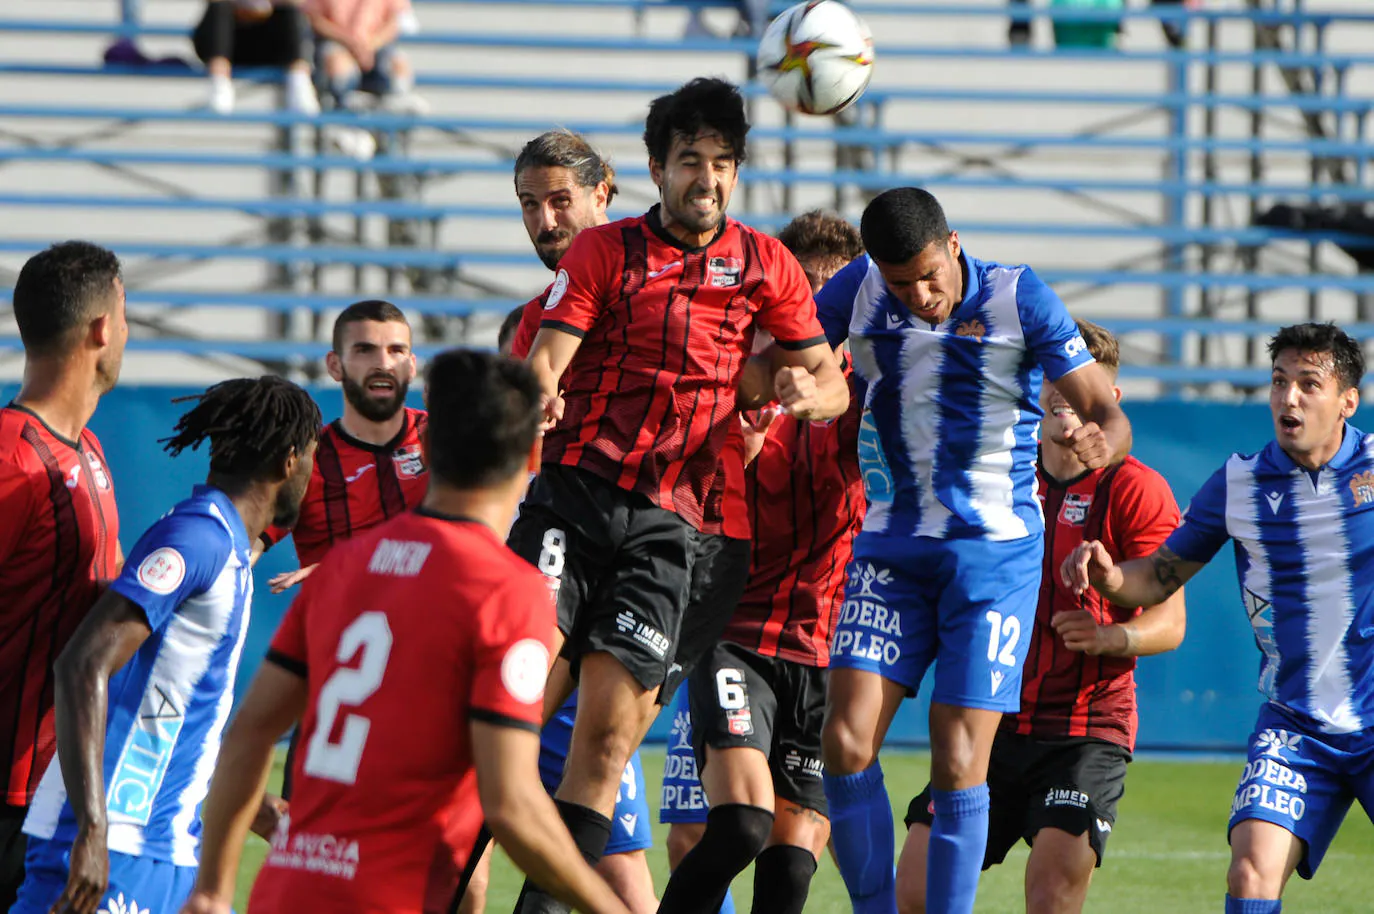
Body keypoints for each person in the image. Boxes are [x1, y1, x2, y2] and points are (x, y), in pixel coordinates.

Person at [506, 77, 849, 914]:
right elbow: (549, 355)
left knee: (606, 747)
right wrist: (541, 393)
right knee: (505, 719)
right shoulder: (604, 252)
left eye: (722, 162)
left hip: (675, 530)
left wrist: (813, 395)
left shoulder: (766, 263)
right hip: (575, 504)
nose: (707, 178)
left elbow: (828, 379)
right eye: (690, 160)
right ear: (657, 170)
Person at [179, 350, 632, 914]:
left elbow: (248, 734)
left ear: (426, 445)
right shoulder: (509, 592)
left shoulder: (345, 565)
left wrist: (214, 889)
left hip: (289, 891)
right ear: (526, 462)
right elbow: (512, 803)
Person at [814, 186, 1130, 914]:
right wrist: (784, 381)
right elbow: (783, 351)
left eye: (930, 275)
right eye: (902, 284)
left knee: (959, 761)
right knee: (844, 740)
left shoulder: (1020, 297)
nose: (921, 295)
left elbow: (1110, 416)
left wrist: (1097, 443)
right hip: (892, 548)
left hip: (993, 563)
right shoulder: (858, 290)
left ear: (953, 245)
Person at [1062, 321, 1374, 914]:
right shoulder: (1241, 481)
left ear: (1347, 401)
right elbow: (1157, 575)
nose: (1290, 398)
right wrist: (1109, 576)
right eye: (1280, 382)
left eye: (1310, 384)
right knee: (1250, 872)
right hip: (1296, 727)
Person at [898, 320, 1185, 914]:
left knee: (1053, 891)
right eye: (1057, 376)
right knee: (916, 887)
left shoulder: (1136, 490)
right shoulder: (995, 474)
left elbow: (1171, 623)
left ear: (1111, 402)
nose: (1067, 394)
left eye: (1084, 388)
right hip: (989, 715)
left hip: (1085, 730)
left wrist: (1110, 635)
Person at [12, 376, 320, 914]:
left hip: (165, 844)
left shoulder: (228, 551)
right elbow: (83, 665)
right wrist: (92, 830)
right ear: (289, 461)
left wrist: (257, 809)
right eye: (314, 456)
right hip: (112, 844)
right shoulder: (197, 539)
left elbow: (171, 710)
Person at [458, 129, 653, 914]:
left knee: (631, 866)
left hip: (641, 583)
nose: (545, 220)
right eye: (530, 206)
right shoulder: (531, 324)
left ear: (605, 190)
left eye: (560, 200)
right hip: (550, 590)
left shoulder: (668, 295)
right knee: (470, 801)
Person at [657, 210, 867, 914]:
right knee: (733, 825)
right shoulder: (736, 383)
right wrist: (729, 463)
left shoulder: (867, 395)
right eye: (805, 290)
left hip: (825, 648)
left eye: (835, 292)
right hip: (735, 635)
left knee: (790, 867)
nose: (819, 308)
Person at [0, 241, 127, 911]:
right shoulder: (12, 461)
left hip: (54, 793)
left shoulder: (90, 452)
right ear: (102, 328)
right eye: (126, 313)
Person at [258, 298, 424, 593]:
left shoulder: (443, 440)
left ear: (411, 366)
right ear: (335, 365)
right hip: (340, 634)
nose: (383, 364)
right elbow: (240, 551)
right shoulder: (305, 461)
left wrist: (351, 563)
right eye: (365, 350)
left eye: (396, 350)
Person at [191, 0, 320, 115]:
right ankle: (219, 85)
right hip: (227, 40)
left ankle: (299, 81)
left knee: (290, 12)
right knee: (219, 7)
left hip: (269, 42)